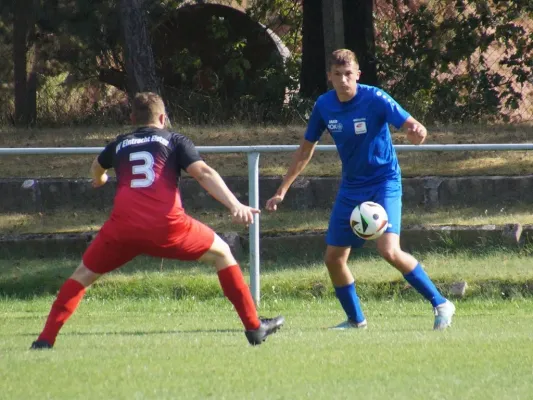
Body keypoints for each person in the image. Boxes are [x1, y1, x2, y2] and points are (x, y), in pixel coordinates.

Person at [31, 92, 284, 349]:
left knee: (83, 275)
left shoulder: (120, 143)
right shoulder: (174, 139)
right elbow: (204, 173)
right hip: (167, 225)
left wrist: (100, 179)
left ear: (133, 119)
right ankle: (253, 327)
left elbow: (97, 166)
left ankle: (45, 339)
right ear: (163, 118)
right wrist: (234, 204)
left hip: (123, 227)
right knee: (222, 254)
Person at [266, 49, 455, 330]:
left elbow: (411, 123)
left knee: (389, 250)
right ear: (329, 77)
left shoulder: (374, 98)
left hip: (384, 183)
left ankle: (441, 303)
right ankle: (356, 320)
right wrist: (283, 188)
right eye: (338, 75)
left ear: (358, 75)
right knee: (333, 258)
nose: (344, 80)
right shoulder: (323, 106)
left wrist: (417, 131)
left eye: (349, 74)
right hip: (352, 187)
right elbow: (306, 150)